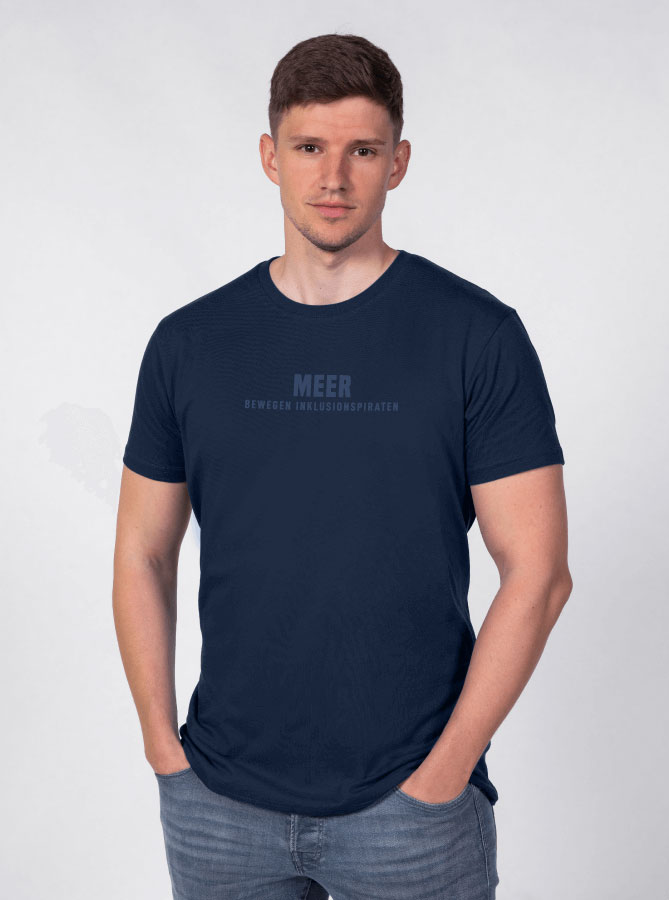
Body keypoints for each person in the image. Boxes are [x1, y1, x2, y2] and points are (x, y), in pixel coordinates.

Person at [113, 32, 572, 900]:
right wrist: (162, 749)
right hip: (217, 803)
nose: (333, 178)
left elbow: (539, 575)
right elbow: (142, 551)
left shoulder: (475, 336)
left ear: (397, 162)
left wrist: (444, 774)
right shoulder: (189, 344)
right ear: (269, 157)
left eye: (361, 150)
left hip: (411, 810)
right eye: (308, 148)